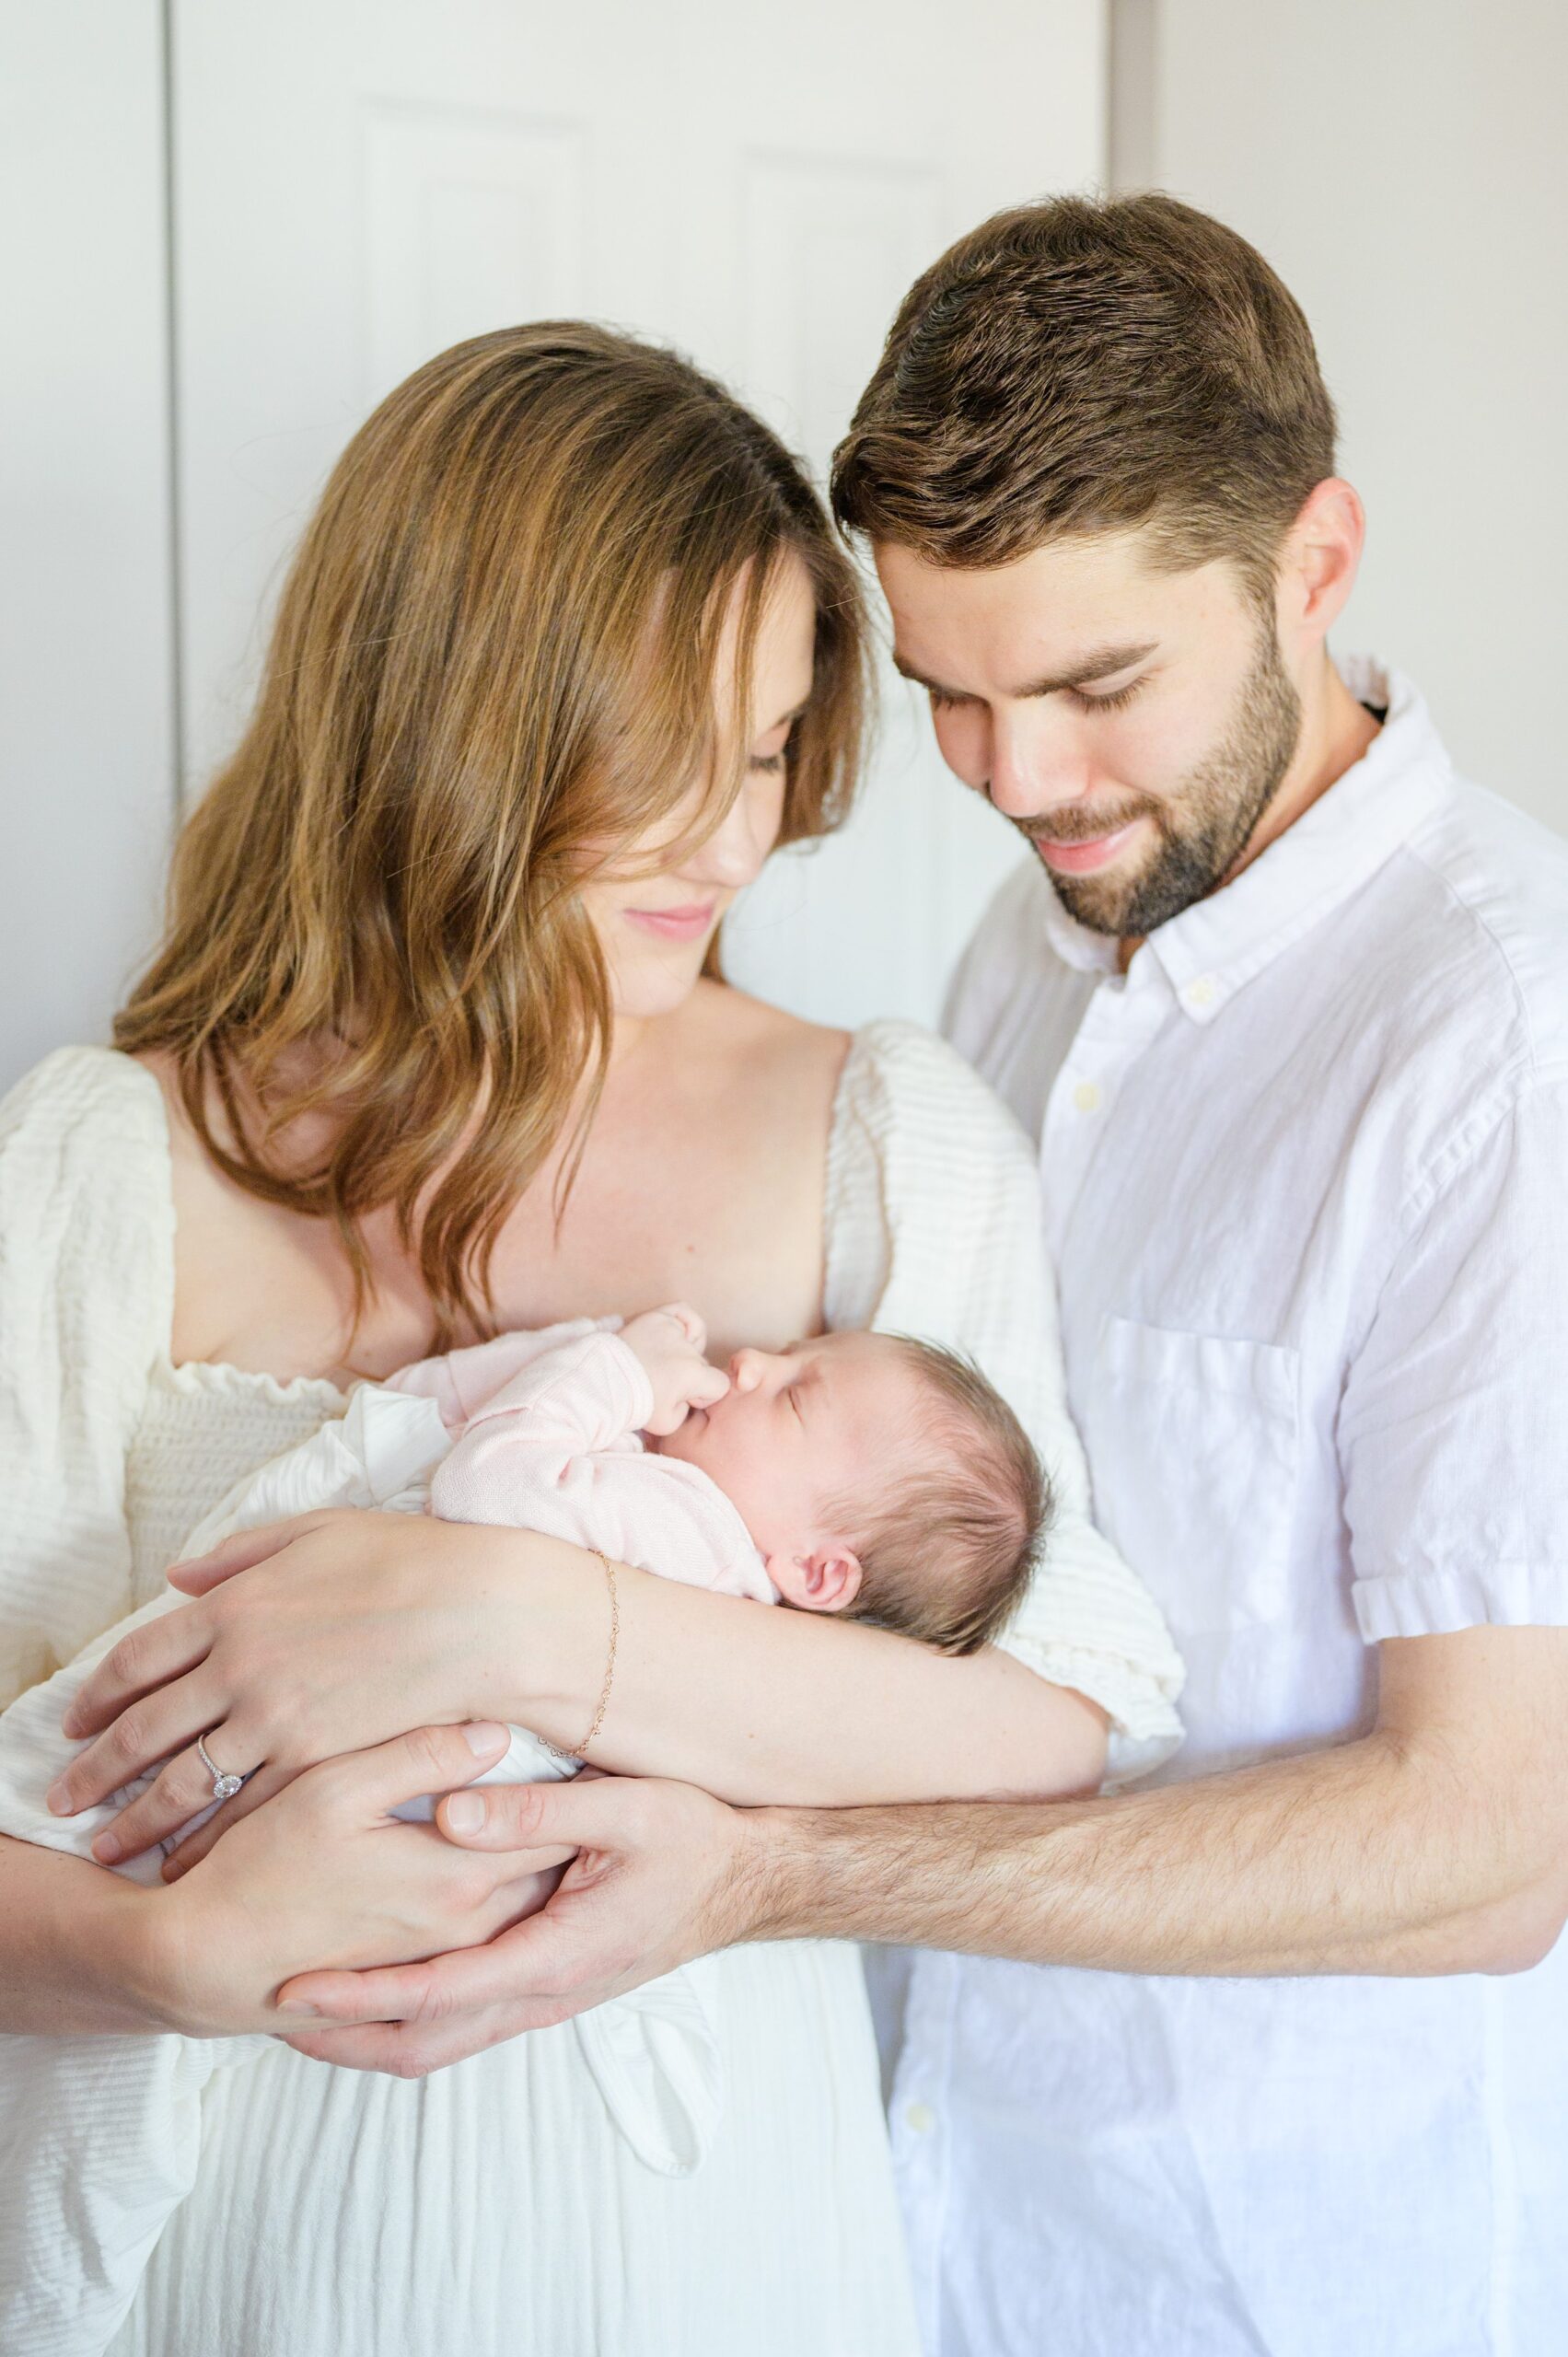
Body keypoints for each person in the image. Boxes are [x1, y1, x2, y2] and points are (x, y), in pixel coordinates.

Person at [286, 201, 1568, 2356]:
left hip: (1271, 2275)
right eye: (951, 696)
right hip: (922, 2219)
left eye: (1094, 685)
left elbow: (1488, 1843)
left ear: (1313, 561)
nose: (1019, 782)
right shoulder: (1034, 946)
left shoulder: (1490, 1037)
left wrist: (782, 1866)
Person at [0, 320, 1183, 2356]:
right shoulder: (113, 1158)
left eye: (765, 750)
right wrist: (176, 1953)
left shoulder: (881, 1139)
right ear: (445, 710)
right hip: (240, 2272)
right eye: (664, 757)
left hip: (721, 2255)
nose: (733, 845)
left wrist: (532, 1630)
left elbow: (1046, 1737)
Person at [2, 1300, 1048, 2333]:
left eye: (794, 1392)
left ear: (818, 1573)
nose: (752, 1362)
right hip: (298, 1833)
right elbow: (446, 1405)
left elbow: (485, 1476)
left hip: (265, 1803)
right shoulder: (707, 1590)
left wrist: (609, 1372)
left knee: (65, 1857)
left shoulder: (687, 1532)